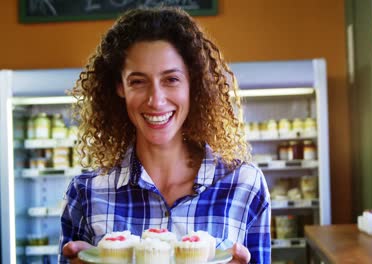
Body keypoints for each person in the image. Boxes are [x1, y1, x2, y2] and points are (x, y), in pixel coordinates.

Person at [58, 6, 271, 264]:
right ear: (119, 87)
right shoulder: (86, 192)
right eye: (138, 81)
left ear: (193, 84)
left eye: (171, 79)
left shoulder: (244, 185)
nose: (156, 100)